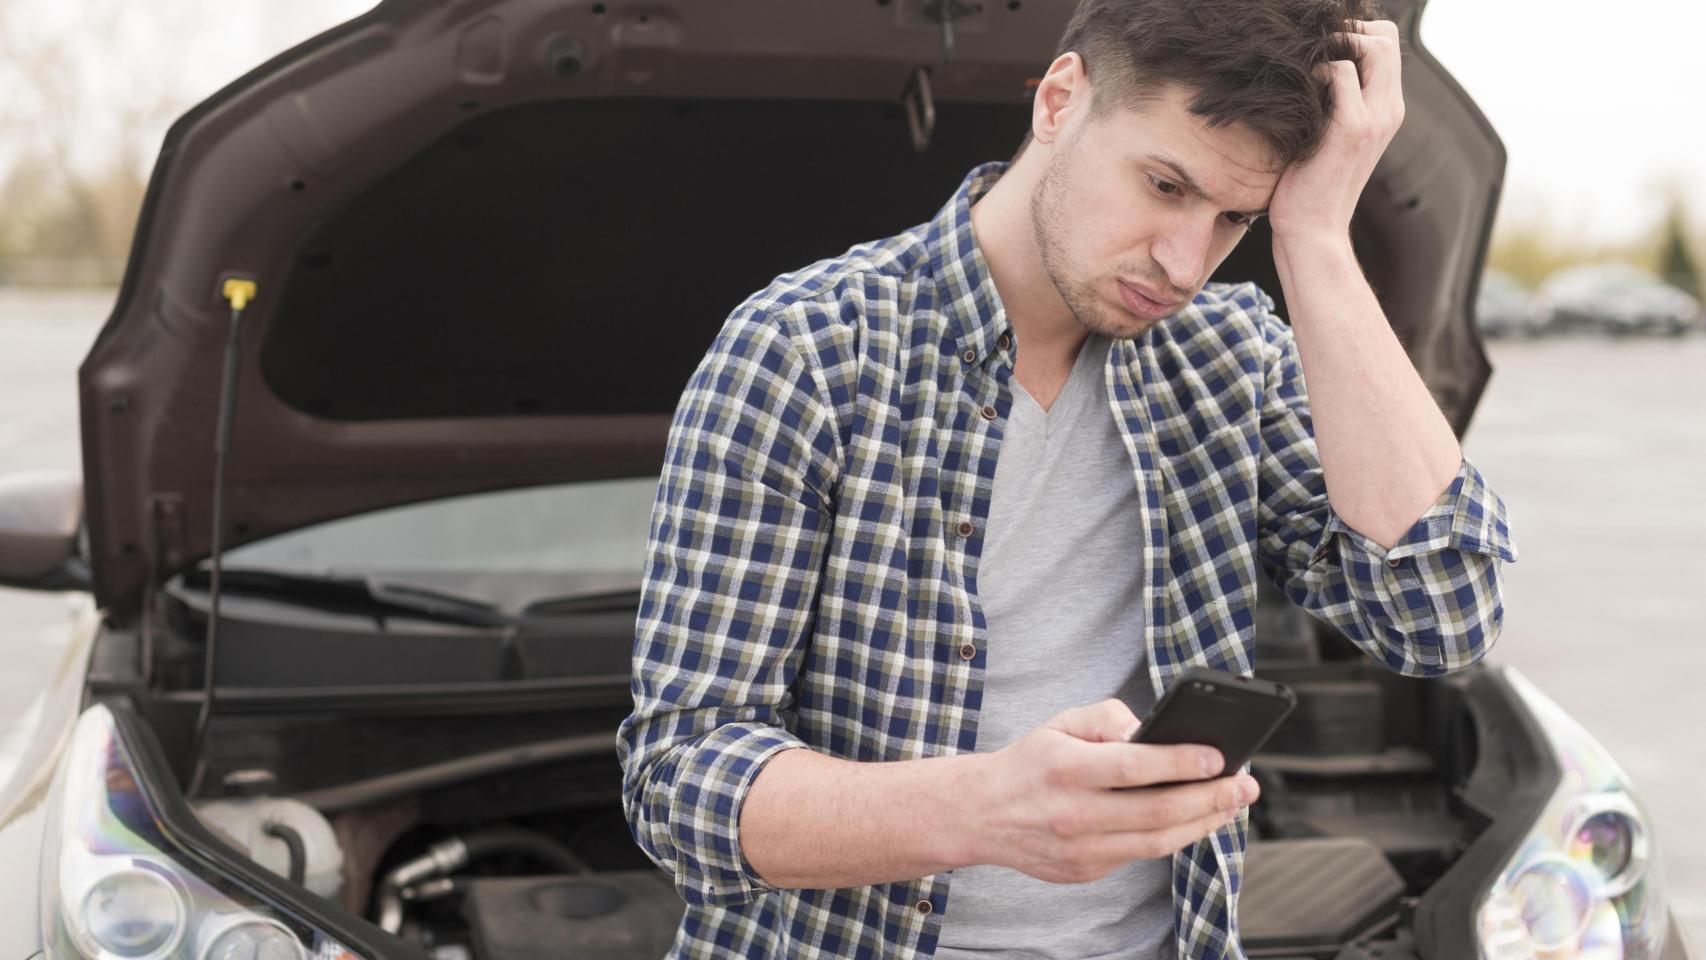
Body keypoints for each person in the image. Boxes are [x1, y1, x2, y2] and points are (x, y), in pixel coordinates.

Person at [616, 0, 1518, 956]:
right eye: (1165, 184)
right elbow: (680, 782)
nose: (1184, 263)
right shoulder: (809, 348)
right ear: (1059, 100)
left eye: (1235, 219)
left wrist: (1317, 239)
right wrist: (983, 809)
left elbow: (1440, 616)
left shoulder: (1229, 357)